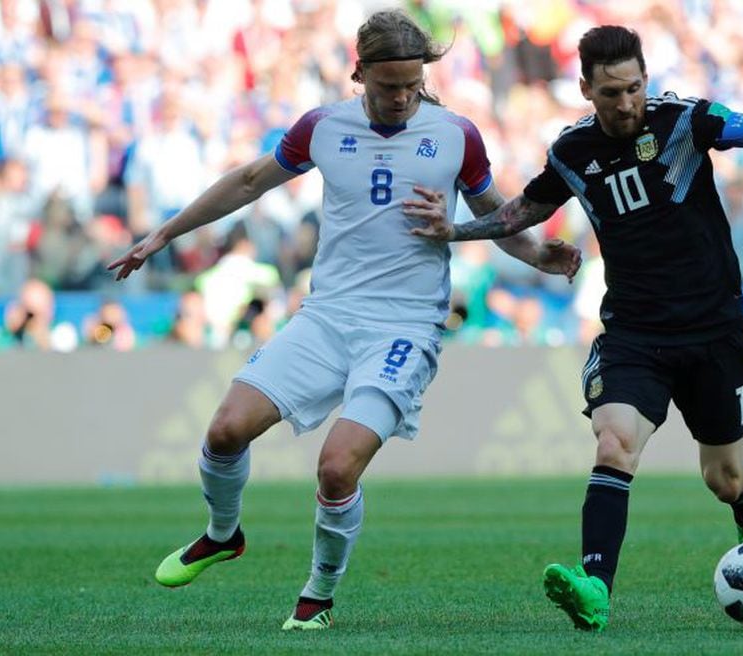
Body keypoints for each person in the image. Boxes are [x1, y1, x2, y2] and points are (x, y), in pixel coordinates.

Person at [410, 25, 743, 632]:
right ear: (585, 89)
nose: (624, 104)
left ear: (646, 81)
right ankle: (595, 588)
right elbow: (523, 210)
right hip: (635, 334)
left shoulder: (684, 121)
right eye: (609, 94)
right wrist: (454, 232)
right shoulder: (573, 153)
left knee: (724, 479)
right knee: (613, 444)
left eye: (632, 89)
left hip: (716, 334)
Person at [107, 9, 580, 632]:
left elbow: (502, 214)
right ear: (359, 73)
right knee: (224, 431)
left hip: (406, 327)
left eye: (413, 84)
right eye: (388, 86)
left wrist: (542, 254)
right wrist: (164, 232)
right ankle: (223, 535)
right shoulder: (323, 128)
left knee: (336, 466)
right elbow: (250, 181)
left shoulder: (455, 134)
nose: (403, 97)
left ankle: (318, 596)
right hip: (327, 316)